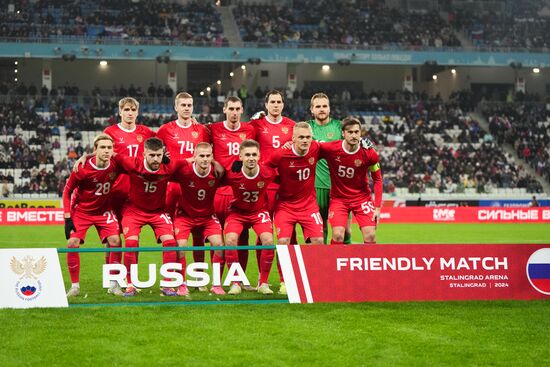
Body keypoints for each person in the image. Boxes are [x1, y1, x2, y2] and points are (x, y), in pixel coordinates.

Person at [113, 137, 180, 297]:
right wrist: (85, 157)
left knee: (170, 242)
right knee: (131, 243)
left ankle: (168, 284)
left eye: (158, 155)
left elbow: (194, 160)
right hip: (134, 210)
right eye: (152, 155)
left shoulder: (170, 166)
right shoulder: (132, 163)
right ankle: (130, 284)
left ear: (163, 153)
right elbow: (108, 153)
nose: (156, 159)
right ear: (144, 154)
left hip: (158, 211)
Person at [156, 91, 211, 280]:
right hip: (172, 186)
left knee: (198, 234)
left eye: (189, 105)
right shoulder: (165, 129)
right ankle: (172, 277)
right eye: (183, 105)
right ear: (176, 107)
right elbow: (154, 151)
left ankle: (199, 278)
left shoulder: (201, 130)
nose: (187, 108)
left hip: (195, 186)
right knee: (171, 235)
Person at [265, 122, 324, 295]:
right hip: (285, 205)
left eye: (308, 137)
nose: (305, 141)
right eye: (301, 137)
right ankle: (285, 281)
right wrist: (276, 181)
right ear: (293, 139)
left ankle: (316, 278)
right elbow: (266, 166)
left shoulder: (316, 148)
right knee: (283, 242)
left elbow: (338, 149)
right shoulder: (282, 154)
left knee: (319, 242)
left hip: (309, 206)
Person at [63, 134, 122, 297]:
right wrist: (67, 217)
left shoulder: (116, 164)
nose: (106, 150)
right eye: (103, 147)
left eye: (109, 147)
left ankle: (114, 284)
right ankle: (74, 286)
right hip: (82, 211)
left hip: (105, 210)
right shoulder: (81, 168)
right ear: (95, 150)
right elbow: (67, 191)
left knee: (116, 241)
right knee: (72, 242)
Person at [209, 96, 256, 287]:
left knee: (242, 237)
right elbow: (201, 149)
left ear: (242, 110)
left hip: (240, 191)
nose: (235, 112)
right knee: (218, 238)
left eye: (238, 109)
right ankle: (216, 280)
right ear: (225, 110)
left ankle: (240, 279)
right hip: (218, 190)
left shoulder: (250, 130)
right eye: (231, 109)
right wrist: (214, 162)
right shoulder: (213, 129)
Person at [167, 143, 224, 296]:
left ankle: (216, 284)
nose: (205, 159)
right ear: (194, 157)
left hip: (207, 216)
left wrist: (219, 166)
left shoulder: (217, 172)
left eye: (208, 156)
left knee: (219, 244)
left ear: (212, 157)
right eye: (201, 156)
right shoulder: (184, 171)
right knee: (181, 245)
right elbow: (166, 171)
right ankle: (181, 283)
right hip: (185, 215)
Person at [222, 140, 277, 295]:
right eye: (247, 155)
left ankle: (263, 283)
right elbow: (214, 176)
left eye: (254, 154)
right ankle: (235, 282)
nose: (251, 158)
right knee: (231, 240)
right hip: (237, 212)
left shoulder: (267, 172)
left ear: (259, 155)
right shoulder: (232, 174)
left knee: (268, 240)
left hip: (258, 212)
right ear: (240, 156)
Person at [320, 117, 383, 244]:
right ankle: (335, 263)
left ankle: (368, 264)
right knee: (338, 235)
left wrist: (377, 208)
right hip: (339, 199)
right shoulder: (331, 148)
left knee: (370, 235)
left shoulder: (369, 153)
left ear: (360, 133)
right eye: (350, 132)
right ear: (343, 133)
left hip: (362, 198)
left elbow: (377, 180)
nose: (354, 135)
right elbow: (310, 150)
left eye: (356, 132)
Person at [307, 92, 352, 244]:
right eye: (318, 106)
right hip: (316, 187)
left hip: (338, 187)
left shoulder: (339, 127)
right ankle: (322, 265)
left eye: (324, 106)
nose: (321, 109)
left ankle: (344, 265)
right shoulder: (306, 128)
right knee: (320, 231)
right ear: (312, 110)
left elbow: (353, 145)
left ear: (329, 108)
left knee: (345, 231)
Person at [103, 97, 155, 221]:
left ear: (137, 112)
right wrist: (84, 156)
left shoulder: (146, 132)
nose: (130, 113)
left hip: (140, 189)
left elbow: (165, 141)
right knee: (114, 233)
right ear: (120, 112)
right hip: (116, 188)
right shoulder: (109, 132)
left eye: (133, 110)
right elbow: (98, 152)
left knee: (133, 232)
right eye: (126, 109)